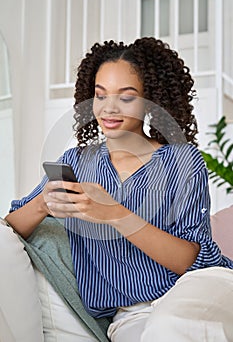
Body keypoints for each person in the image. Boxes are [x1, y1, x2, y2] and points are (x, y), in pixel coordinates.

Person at [1, 37, 233, 342]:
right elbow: (12, 227)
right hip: (130, 313)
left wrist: (115, 214)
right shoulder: (76, 162)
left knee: (169, 327)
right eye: (100, 95)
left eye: (126, 97)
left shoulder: (181, 160)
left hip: (196, 287)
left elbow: (190, 259)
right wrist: (44, 204)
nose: (109, 108)